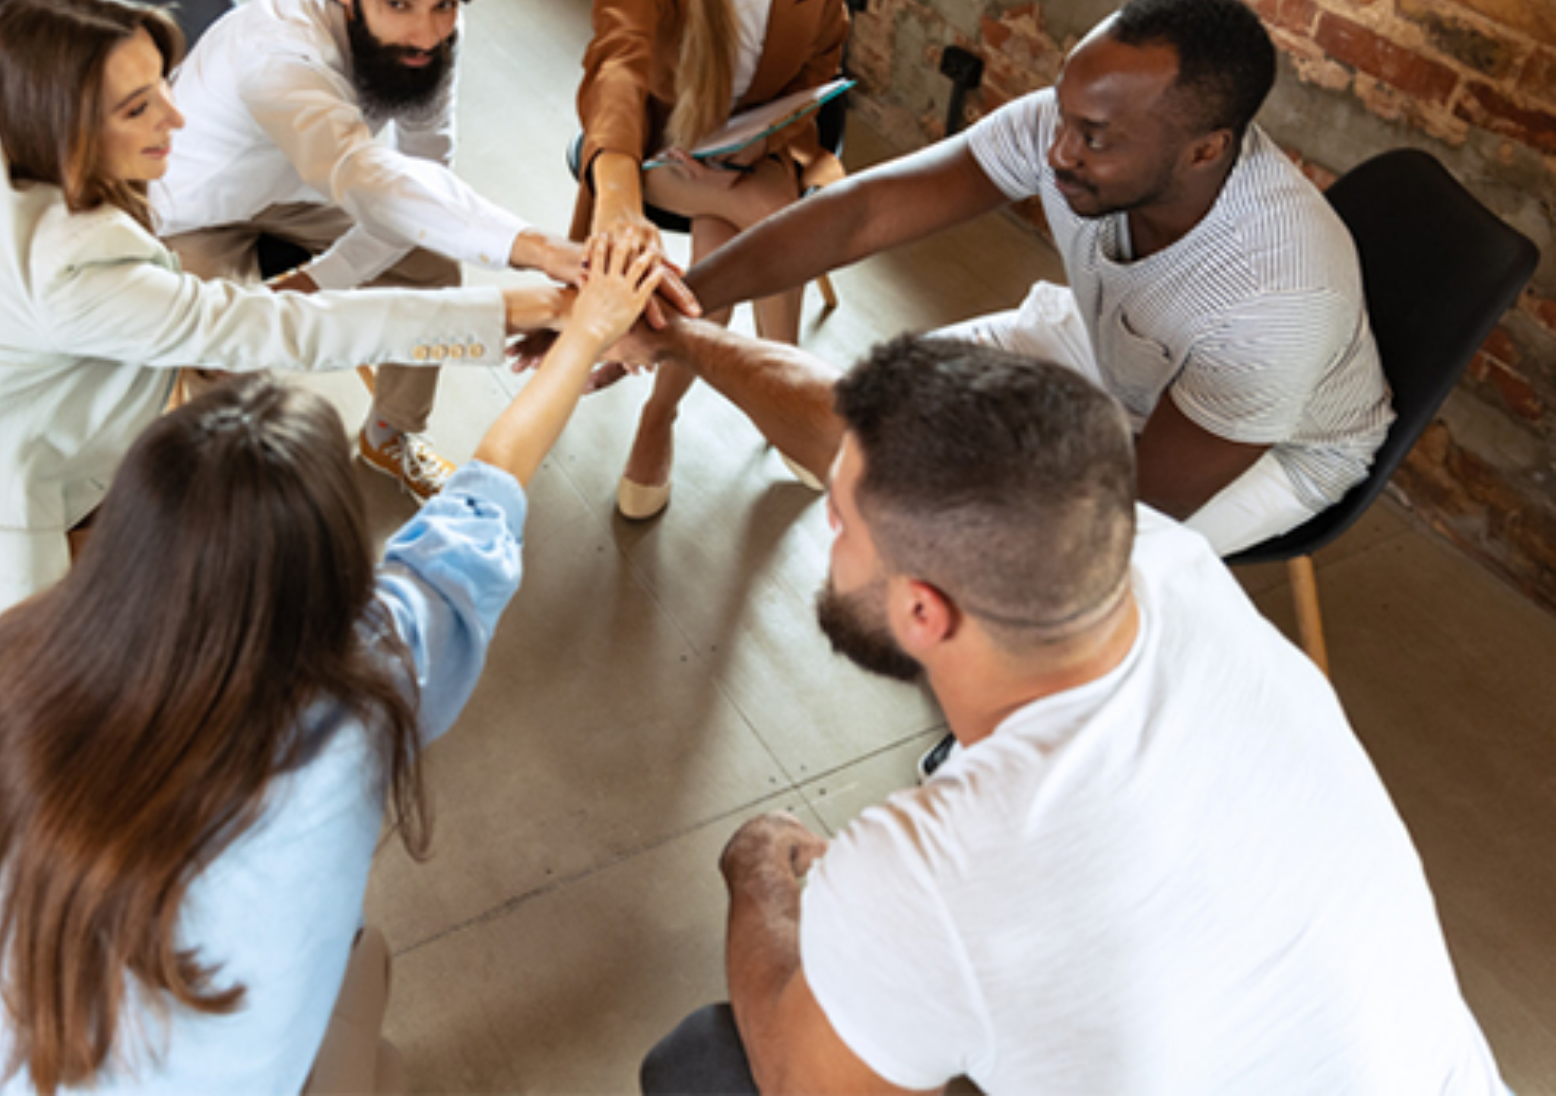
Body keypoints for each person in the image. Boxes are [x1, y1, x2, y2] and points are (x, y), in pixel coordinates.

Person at [639, 334, 1507, 1096]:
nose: (829, 515)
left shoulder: (929, 869)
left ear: (923, 613)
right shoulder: (1165, 560)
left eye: (841, 522)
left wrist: (754, 869)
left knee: (705, 1065)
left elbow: (803, 1085)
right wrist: (688, 337)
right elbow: (845, 427)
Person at [0, 238, 664, 1096]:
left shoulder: (11, 668)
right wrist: (586, 334)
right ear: (330, 565)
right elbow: (491, 490)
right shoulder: (361, 699)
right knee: (377, 1005)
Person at [0, 0, 570, 702]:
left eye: (163, 84)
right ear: (61, 125)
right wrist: (524, 308)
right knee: (238, 587)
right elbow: (287, 331)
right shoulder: (70, 268)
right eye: (137, 107)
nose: (177, 114)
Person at [623, 0, 1392, 554]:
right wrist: (670, 300)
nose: (1057, 150)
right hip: (1113, 347)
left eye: (1093, 137)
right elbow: (861, 213)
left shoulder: (1275, 301)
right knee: (880, 417)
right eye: (1062, 112)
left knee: (1038, 564)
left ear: (1203, 149)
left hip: (1276, 449)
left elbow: (1129, 507)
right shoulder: (1079, 128)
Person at [151, 0, 588, 502]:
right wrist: (541, 249)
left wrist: (321, 278)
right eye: (398, 4)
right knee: (227, 343)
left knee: (431, 265)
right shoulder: (280, 53)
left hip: (305, 190)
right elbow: (366, 178)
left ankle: (390, 435)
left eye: (445, 3)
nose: (425, 34)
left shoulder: (432, 34)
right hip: (195, 202)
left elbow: (423, 170)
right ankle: (238, 500)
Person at [571, 0, 853, 521]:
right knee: (771, 207)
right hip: (649, 155)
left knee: (725, 233)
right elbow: (617, 71)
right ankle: (790, 393)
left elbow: (825, 62)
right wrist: (620, 203)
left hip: (756, 147)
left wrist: (762, 142)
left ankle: (661, 414)